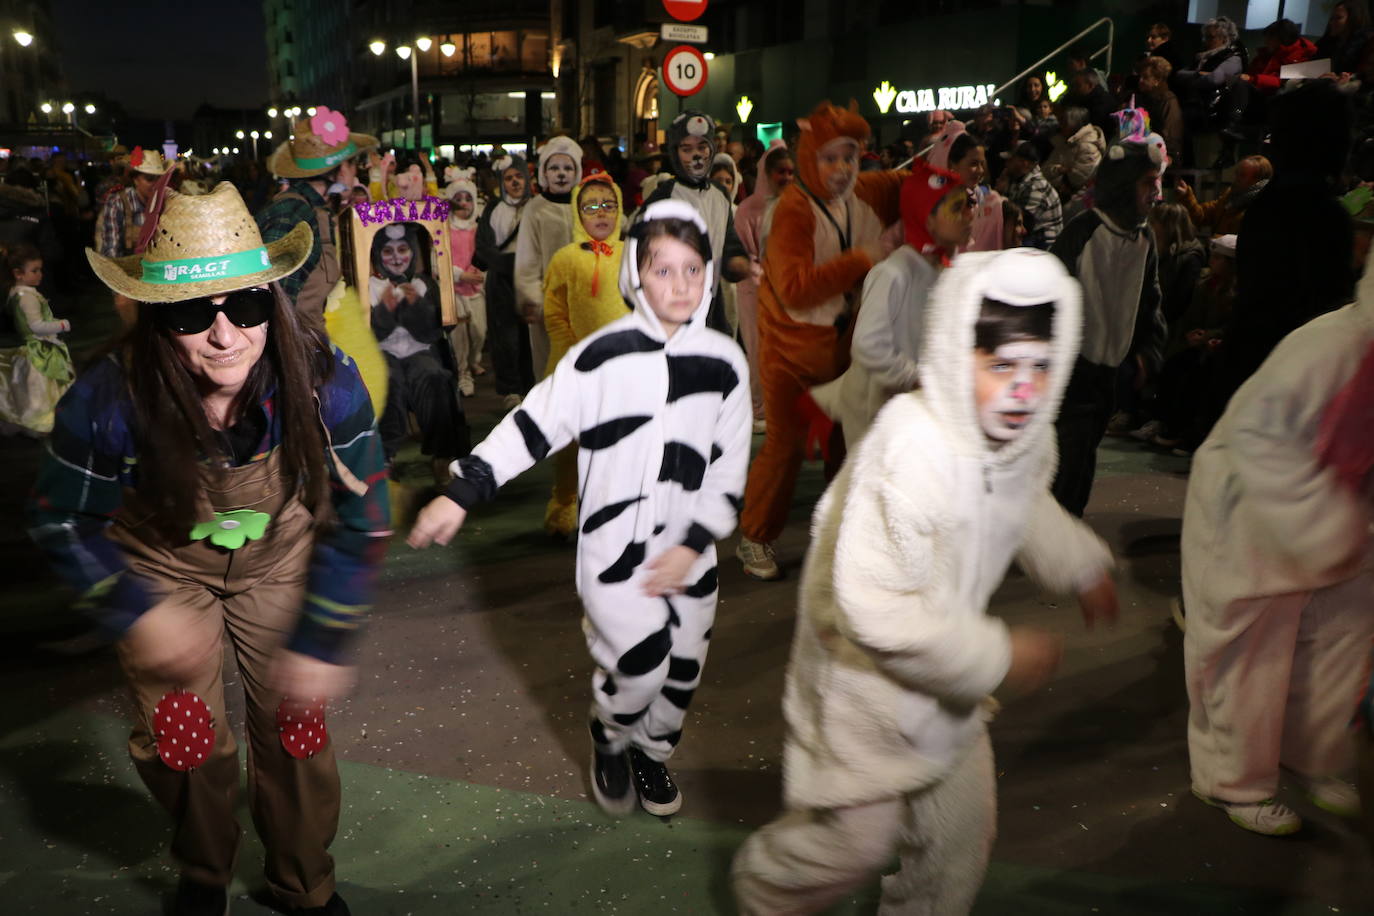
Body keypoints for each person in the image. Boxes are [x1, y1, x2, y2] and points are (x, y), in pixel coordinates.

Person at [29, 182, 390, 916]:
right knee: (183, 737)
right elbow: (60, 517)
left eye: (247, 306)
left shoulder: (323, 377)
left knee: (298, 725)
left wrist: (322, 636)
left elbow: (366, 514)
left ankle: (303, 882)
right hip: (160, 567)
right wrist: (133, 611)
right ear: (159, 319)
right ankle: (203, 869)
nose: (226, 336)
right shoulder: (110, 397)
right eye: (196, 313)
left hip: (278, 559)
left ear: (273, 300)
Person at [732, 248, 1117, 914]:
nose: (1024, 389)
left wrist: (1079, 563)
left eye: (1041, 367)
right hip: (862, 687)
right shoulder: (912, 451)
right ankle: (767, 889)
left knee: (960, 837)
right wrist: (997, 654)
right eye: (1001, 366)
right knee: (855, 842)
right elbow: (875, 611)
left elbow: (1024, 503)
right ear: (950, 352)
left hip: (946, 688)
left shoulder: (1025, 441)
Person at [408, 200, 750, 818]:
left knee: (681, 674)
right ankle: (611, 737)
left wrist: (693, 542)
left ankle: (651, 749)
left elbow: (728, 468)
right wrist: (463, 491)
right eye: (662, 269)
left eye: (692, 269)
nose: (679, 284)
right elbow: (532, 424)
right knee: (641, 664)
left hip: (693, 556)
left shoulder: (726, 364)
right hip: (614, 554)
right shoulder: (599, 358)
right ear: (635, 274)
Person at [1181, 252, 1374, 837]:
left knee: (1342, 633)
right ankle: (1232, 780)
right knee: (1251, 648)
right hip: (1254, 507)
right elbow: (1258, 440)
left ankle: (1310, 752)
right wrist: (1319, 529)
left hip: (1342, 511)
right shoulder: (1330, 347)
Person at [735, 100, 904, 581]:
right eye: (830, 158)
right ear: (810, 158)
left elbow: (913, 184)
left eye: (849, 157)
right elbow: (793, 287)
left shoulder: (866, 191)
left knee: (844, 445)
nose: (842, 169)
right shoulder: (792, 210)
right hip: (791, 354)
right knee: (785, 446)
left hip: (843, 353)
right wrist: (865, 258)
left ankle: (842, 534)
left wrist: (955, 167)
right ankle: (755, 536)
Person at [810, 159, 971, 450]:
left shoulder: (945, 273)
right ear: (926, 218)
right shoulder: (894, 273)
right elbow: (868, 344)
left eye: (968, 206)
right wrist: (914, 377)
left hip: (916, 415)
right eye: (956, 209)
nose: (968, 216)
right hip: (879, 416)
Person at [1049, 127, 1167, 516]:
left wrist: (1147, 354)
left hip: (1109, 373)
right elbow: (1048, 302)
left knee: (1082, 459)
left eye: (1158, 182)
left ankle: (1063, 529)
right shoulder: (1082, 234)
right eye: (1149, 182)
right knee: (1068, 459)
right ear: (1122, 185)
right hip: (1072, 371)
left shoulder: (1145, 240)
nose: (1156, 193)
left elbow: (1150, 304)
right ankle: (1056, 535)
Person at [539, 172, 627, 537]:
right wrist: (569, 351)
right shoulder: (566, 259)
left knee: (621, 436)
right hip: (576, 362)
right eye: (590, 207)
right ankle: (565, 501)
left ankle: (617, 502)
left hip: (624, 364)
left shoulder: (633, 253)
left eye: (608, 205)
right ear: (578, 214)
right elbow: (554, 310)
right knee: (573, 440)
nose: (601, 213)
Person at [259, 108, 378, 335]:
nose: (355, 176)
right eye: (354, 166)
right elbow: (273, 302)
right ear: (342, 171)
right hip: (297, 353)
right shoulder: (295, 214)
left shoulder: (317, 210)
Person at [369, 222, 468, 483]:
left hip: (420, 350)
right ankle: (384, 457)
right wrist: (385, 311)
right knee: (386, 382)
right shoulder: (368, 285)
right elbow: (367, 335)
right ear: (378, 255)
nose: (397, 258)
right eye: (388, 252)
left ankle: (442, 454)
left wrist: (417, 306)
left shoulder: (424, 284)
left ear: (413, 252)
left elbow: (436, 331)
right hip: (383, 353)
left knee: (433, 376)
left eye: (403, 249)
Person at [642, 111, 751, 333]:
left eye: (702, 147)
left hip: (712, 305)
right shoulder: (662, 198)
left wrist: (738, 262)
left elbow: (728, 240)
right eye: (687, 149)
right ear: (674, 153)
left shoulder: (720, 195)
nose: (697, 156)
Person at [735, 141, 794, 432]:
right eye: (779, 172)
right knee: (759, 349)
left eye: (789, 172)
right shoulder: (748, 210)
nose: (785, 178)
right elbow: (743, 255)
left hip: (789, 291)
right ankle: (759, 410)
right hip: (755, 291)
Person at [516, 136, 582, 384]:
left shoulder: (585, 203)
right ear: (543, 172)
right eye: (554, 168)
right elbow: (527, 258)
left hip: (583, 297)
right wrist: (530, 297)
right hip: (548, 300)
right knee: (548, 366)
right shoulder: (535, 208)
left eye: (568, 168)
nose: (561, 174)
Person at [475, 154, 533, 408]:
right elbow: (483, 246)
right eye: (509, 178)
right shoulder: (493, 209)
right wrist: (506, 265)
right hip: (502, 281)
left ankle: (533, 387)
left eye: (519, 176)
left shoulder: (537, 207)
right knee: (505, 338)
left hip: (532, 279)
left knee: (532, 337)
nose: (515, 182)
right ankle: (510, 389)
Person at [95, 146, 174, 329]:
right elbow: (111, 253)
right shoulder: (119, 203)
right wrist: (121, 288)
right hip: (130, 275)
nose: (155, 184)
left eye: (158, 179)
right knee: (130, 315)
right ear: (135, 179)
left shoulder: (169, 202)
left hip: (163, 274)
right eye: (149, 179)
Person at [0, 243, 73, 434]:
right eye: (35, 270)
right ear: (18, 274)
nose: (40, 274)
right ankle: (40, 421)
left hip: (34, 346)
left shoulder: (17, 292)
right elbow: (37, 326)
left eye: (40, 269)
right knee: (40, 390)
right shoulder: (27, 297)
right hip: (38, 350)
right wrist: (62, 325)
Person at [928, 124, 1004, 251]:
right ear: (952, 164)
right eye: (973, 164)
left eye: (982, 164)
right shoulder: (931, 201)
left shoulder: (981, 197)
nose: (980, 170)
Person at [446, 168, 486, 397]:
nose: (463, 203)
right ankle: (463, 373)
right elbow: (437, 260)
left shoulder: (479, 229)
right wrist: (460, 275)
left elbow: (487, 256)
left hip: (477, 290)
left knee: (480, 331)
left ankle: (474, 359)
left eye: (467, 198)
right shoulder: (445, 230)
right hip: (454, 290)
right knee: (459, 333)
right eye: (458, 199)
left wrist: (481, 274)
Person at [1175, 16, 1248, 133]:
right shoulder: (1202, 56)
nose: (1206, 40)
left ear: (1224, 39)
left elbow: (1214, 79)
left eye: (1211, 37)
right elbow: (1179, 74)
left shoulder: (1233, 58)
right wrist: (1199, 74)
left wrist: (1193, 78)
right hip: (1193, 102)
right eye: (1205, 36)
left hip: (1211, 108)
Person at [1175, 155, 1271, 236]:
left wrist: (1217, 242)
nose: (1236, 179)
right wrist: (1186, 196)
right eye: (1236, 174)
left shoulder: (1262, 206)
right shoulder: (1229, 197)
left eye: (1242, 175)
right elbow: (1202, 216)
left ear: (1258, 181)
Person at [998, 141, 1062, 249]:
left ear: (1024, 163)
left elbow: (1020, 221)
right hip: (1032, 234)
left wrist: (999, 194)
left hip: (1045, 243)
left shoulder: (1036, 186)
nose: (1006, 164)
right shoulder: (1017, 179)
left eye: (1011, 160)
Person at [1042, 107, 1106, 203]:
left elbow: (1078, 179)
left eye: (1064, 123)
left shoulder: (1088, 147)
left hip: (1070, 199)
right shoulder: (1065, 141)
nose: (1060, 126)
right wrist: (1059, 169)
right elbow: (1044, 170)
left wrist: (1059, 172)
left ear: (1074, 124)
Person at [1138, 56, 1185, 165]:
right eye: (1140, 76)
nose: (1140, 80)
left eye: (1145, 77)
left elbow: (1171, 134)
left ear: (1157, 80)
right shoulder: (1141, 98)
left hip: (1164, 153)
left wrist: (1169, 156)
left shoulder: (1168, 100)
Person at [1318, 0, 1373, 80]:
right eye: (1332, 18)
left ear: (1354, 19)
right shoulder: (1328, 41)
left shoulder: (1366, 43)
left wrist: (1339, 79)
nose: (1331, 22)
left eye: (1338, 18)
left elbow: (1364, 76)